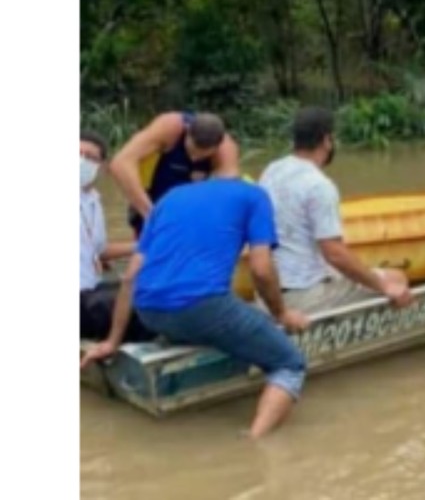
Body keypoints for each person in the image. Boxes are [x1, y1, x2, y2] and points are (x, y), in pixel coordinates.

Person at [79, 174, 310, 439]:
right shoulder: (255, 196)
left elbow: (131, 275)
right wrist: (282, 314)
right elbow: (261, 268)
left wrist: (111, 341)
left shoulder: (170, 198)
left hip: (149, 311)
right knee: (289, 363)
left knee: (221, 321)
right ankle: (254, 442)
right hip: (203, 307)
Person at [258, 106, 412, 313]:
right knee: (396, 278)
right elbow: (335, 254)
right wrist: (383, 285)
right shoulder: (319, 185)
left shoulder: (272, 170)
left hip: (266, 294)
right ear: (327, 141)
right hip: (302, 298)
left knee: (352, 273)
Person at [108, 111, 239, 237]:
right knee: (148, 240)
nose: (194, 159)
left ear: (217, 147)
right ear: (187, 132)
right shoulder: (170, 126)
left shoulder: (226, 149)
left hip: (191, 199)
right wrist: (149, 213)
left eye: (201, 156)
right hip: (153, 192)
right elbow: (120, 163)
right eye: (192, 151)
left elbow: (226, 194)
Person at [80, 131, 157, 342]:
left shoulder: (92, 201)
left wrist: (145, 245)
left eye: (90, 157)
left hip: (90, 289)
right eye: (77, 154)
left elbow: (100, 250)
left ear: (102, 167)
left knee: (151, 288)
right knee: (146, 306)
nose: (82, 161)